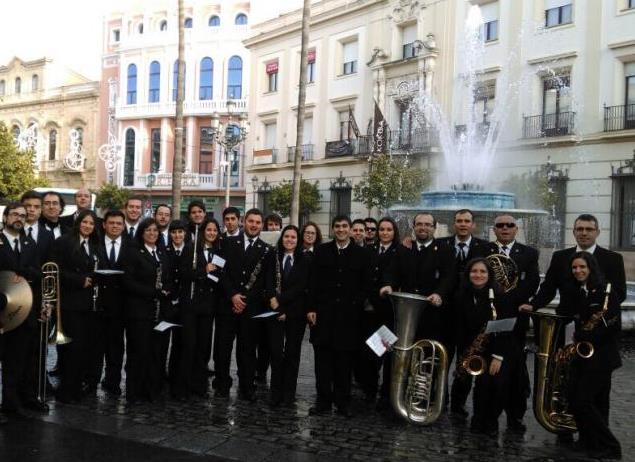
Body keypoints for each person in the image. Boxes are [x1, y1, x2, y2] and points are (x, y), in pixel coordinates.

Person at [307, 215, 372, 417]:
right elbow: (312, 282)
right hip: (324, 316)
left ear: (351, 229)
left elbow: (366, 284)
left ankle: (343, 403)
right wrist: (311, 308)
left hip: (349, 318)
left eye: (345, 226)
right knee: (322, 363)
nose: (341, 230)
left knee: (344, 363)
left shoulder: (362, 254)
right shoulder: (321, 251)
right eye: (337, 226)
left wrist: (356, 304)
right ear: (333, 229)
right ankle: (323, 402)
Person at [482, 214, 540, 431]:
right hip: (489, 316)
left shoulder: (529, 253)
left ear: (516, 229)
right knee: (489, 369)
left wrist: (509, 299)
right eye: (500, 225)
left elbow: (532, 283)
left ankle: (515, 415)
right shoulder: (483, 250)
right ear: (494, 229)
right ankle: (489, 414)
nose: (505, 228)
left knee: (515, 370)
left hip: (516, 318)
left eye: (509, 225)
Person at [563, 252, 622, 460]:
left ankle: (611, 446)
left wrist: (586, 335)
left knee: (583, 400)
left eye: (582, 267)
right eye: (574, 267)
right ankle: (588, 442)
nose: (578, 271)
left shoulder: (606, 292)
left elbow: (615, 325)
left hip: (602, 357)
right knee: (579, 399)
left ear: (591, 268)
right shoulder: (579, 292)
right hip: (584, 355)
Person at [455, 258, 519, 437]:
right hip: (477, 349)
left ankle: (491, 421)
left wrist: (498, 356)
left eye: (483, 271)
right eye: (474, 271)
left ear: (489, 275)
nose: (478, 275)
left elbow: (506, 328)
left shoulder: (500, 296)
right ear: (468, 274)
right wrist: (466, 352)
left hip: (499, 348)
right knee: (481, 384)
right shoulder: (461, 296)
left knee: (497, 385)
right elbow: (460, 326)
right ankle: (478, 419)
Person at [216, 208, 274, 401]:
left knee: (247, 350)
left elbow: (265, 282)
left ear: (262, 225)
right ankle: (222, 385)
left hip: (250, 308)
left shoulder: (267, 250)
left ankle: (247, 386)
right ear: (244, 222)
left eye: (258, 222)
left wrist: (244, 300)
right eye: (251, 221)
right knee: (223, 348)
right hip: (227, 305)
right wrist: (233, 295)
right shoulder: (227, 243)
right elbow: (220, 272)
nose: (254, 225)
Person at [521, 214, 626, 316]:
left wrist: (595, 311)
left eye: (589, 229)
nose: (584, 233)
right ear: (574, 232)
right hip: (566, 318)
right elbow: (548, 288)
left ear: (597, 232)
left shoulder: (613, 259)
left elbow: (619, 293)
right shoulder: (560, 257)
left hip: (597, 321)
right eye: (579, 229)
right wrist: (533, 305)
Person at [121, 218, 173, 403]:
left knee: (155, 353)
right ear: (141, 233)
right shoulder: (133, 252)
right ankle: (134, 392)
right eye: (148, 230)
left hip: (159, 312)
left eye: (155, 230)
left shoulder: (162, 252)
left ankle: (151, 391)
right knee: (138, 353)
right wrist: (153, 292)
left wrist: (166, 289)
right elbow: (128, 282)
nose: (152, 233)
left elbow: (168, 277)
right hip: (139, 311)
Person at [381, 213, 456, 342]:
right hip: (405, 313)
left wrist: (439, 294)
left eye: (427, 225)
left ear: (434, 228)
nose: (423, 228)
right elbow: (392, 271)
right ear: (414, 227)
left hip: (432, 313)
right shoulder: (403, 249)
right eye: (419, 224)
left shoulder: (446, 250)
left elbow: (449, 277)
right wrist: (388, 285)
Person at [51, 209, 101, 403]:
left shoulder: (94, 244)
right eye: (85, 222)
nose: (88, 226)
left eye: (91, 223)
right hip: (70, 303)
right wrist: (80, 280)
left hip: (88, 304)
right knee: (72, 348)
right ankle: (66, 390)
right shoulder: (63, 242)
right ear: (78, 222)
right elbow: (55, 269)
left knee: (83, 348)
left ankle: (76, 387)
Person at [0, 203, 44, 417]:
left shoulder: (29, 243)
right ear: (5, 217)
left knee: (25, 358)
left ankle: (25, 398)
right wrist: (19, 273)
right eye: (15, 214)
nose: (19, 218)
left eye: (23, 216)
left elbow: (38, 272)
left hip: (26, 309)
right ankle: (9, 403)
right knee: (8, 359)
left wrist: (23, 273)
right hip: (3, 310)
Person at [174, 218, 224, 400]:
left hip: (208, 306)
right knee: (189, 346)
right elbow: (183, 273)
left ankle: (199, 385)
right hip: (191, 304)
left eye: (215, 230)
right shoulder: (191, 248)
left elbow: (221, 276)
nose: (212, 233)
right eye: (208, 230)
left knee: (203, 347)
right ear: (202, 231)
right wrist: (205, 270)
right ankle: (182, 388)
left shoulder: (219, 251)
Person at [265, 225, 310, 406]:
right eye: (286, 236)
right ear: (282, 238)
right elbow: (268, 282)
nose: (289, 240)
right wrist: (276, 305)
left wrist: (282, 304)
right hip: (275, 311)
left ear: (298, 240)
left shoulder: (305, 259)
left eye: (293, 237)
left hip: (295, 314)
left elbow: (301, 287)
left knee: (292, 354)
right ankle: (275, 393)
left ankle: (288, 394)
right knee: (276, 354)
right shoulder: (273, 256)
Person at [360, 217, 402, 407]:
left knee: (385, 354)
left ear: (394, 232)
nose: (385, 233)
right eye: (382, 229)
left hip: (388, 313)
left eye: (388, 229)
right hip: (369, 311)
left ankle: (385, 394)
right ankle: (370, 390)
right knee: (369, 354)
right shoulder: (369, 250)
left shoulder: (401, 251)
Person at [94, 210, 130, 396]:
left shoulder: (131, 246)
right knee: (96, 346)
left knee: (116, 347)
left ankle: (112, 382)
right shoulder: (94, 244)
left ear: (123, 226)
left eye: (118, 223)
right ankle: (92, 381)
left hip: (121, 305)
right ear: (104, 225)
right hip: (98, 304)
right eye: (111, 223)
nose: (115, 226)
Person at [165, 219, 188, 386]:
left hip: (186, 303)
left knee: (182, 341)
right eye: (174, 232)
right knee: (164, 341)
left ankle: (178, 376)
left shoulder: (191, 250)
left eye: (180, 232)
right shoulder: (164, 250)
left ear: (185, 233)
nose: (177, 235)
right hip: (168, 301)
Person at [21, 190, 55, 263]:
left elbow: (50, 262)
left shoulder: (49, 235)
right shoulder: (12, 231)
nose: (32, 210)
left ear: (41, 209)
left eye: (36, 207)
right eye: (28, 206)